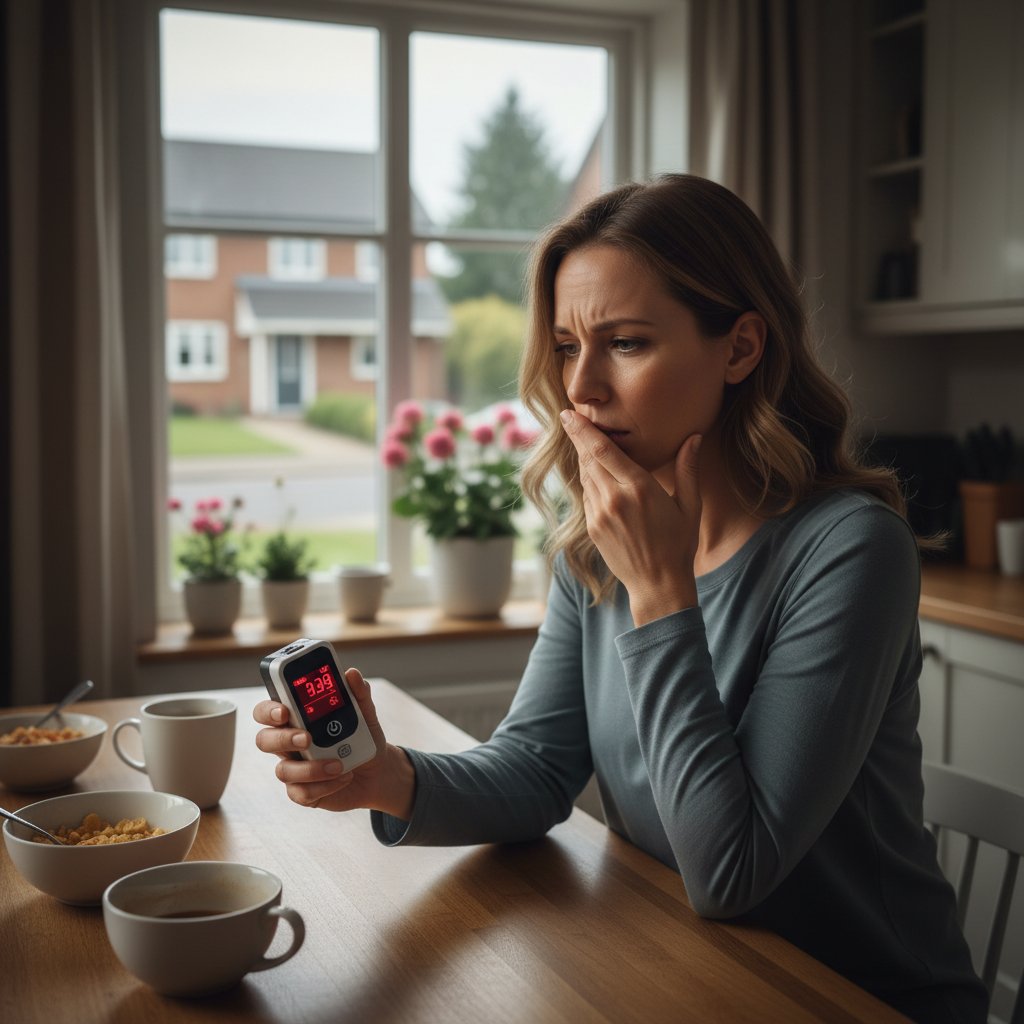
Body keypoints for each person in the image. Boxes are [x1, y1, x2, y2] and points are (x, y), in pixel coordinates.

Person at [254, 174, 988, 1023]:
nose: (583, 388)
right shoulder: (597, 543)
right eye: (567, 347)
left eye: (626, 343)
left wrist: (662, 591)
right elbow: (536, 770)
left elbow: (729, 873)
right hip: (697, 977)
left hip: (861, 1000)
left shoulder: (851, 551)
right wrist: (384, 778)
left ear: (741, 349)